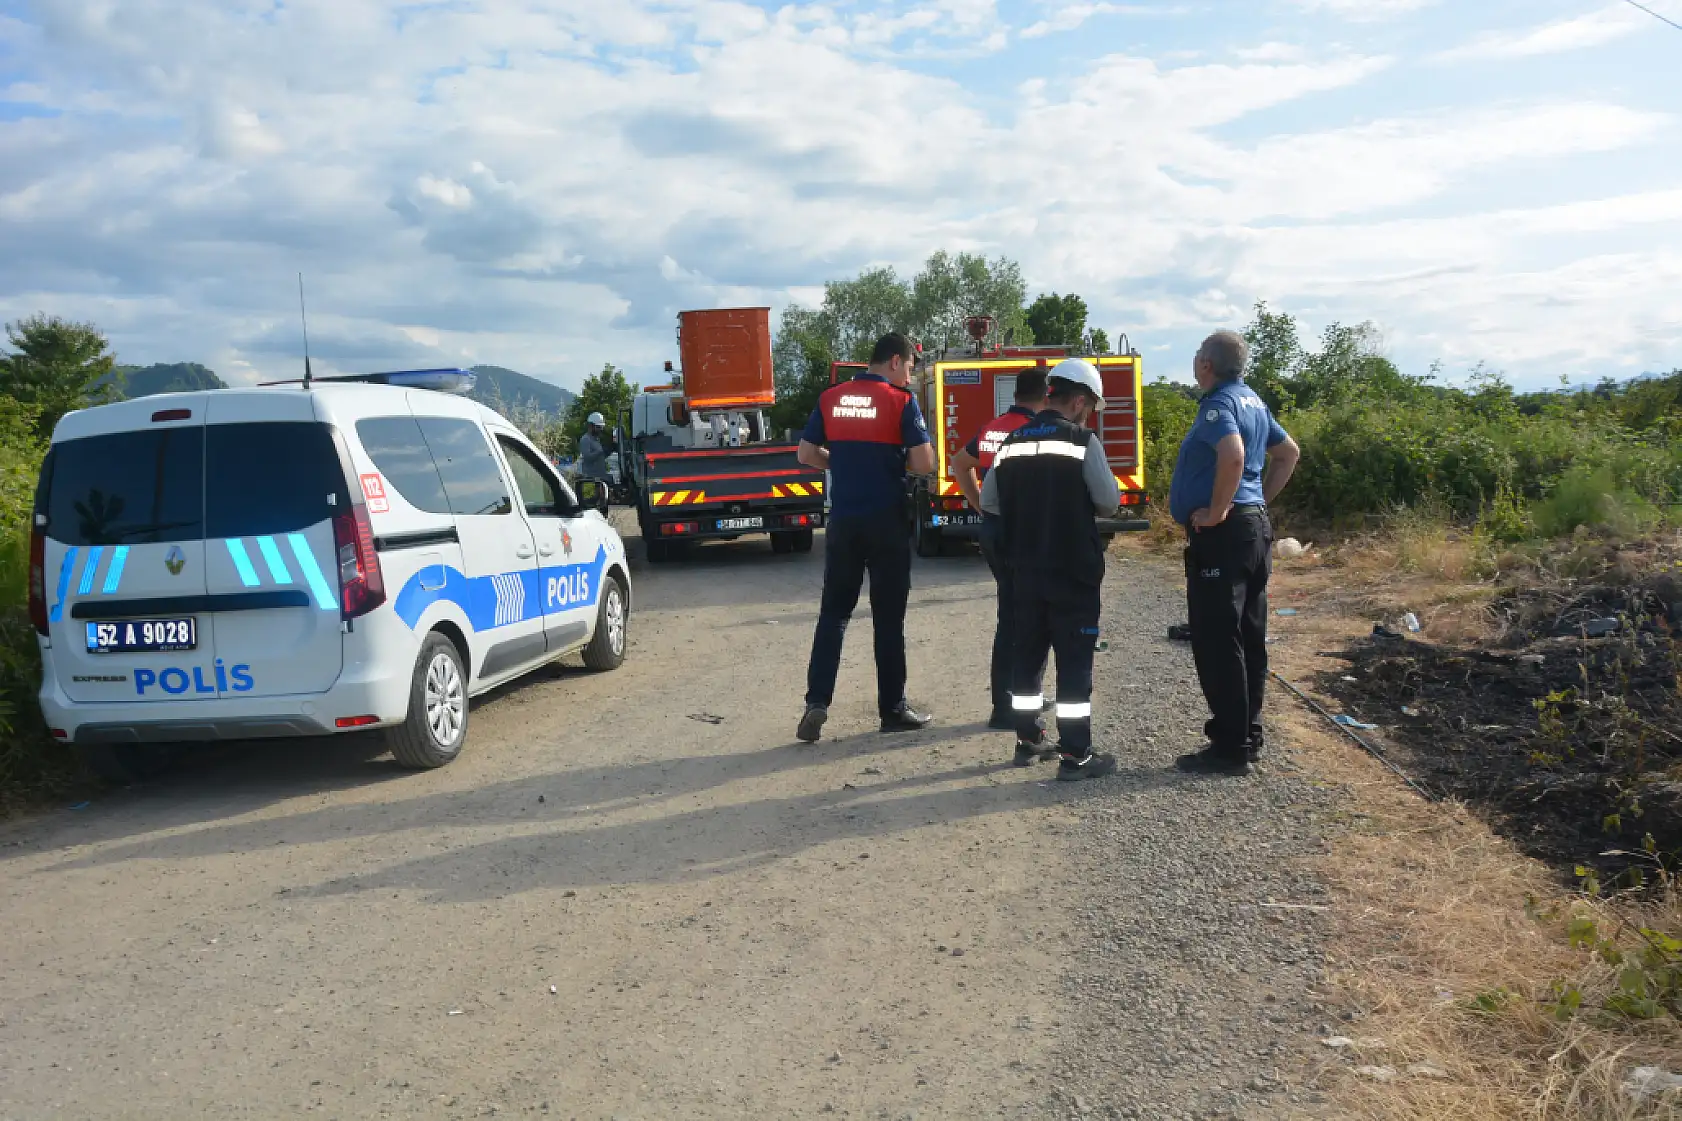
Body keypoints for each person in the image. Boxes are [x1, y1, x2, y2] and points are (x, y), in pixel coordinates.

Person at [1168, 330, 1301, 777]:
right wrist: (1256, 502)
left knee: (1218, 638)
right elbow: (1289, 453)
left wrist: (1221, 509)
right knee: (1248, 634)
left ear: (1206, 364)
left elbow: (1233, 456)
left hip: (1225, 537)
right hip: (1253, 531)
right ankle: (1248, 732)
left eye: (1197, 354)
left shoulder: (1219, 405)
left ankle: (1229, 746)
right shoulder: (1254, 402)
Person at [981, 359, 1121, 781]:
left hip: (1023, 571)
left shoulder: (1011, 443)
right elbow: (1109, 503)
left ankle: (1028, 738)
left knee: (1027, 658)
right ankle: (1076, 755)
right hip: (1072, 571)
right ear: (1078, 400)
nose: (1090, 413)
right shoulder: (1082, 441)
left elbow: (989, 501)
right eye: (1091, 405)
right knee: (1075, 661)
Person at [794, 332, 937, 743]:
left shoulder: (832, 397)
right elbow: (924, 462)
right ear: (895, 361)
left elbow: (805, 454)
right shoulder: (900, 402)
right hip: (887, 523)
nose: (910, 377)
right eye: (910, 368)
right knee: (888, 619)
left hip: (844, 523)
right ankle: (892, 709)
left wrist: (839, 460)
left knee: (833, 614)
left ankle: (816, 702)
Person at [950, 370, 1049, 730]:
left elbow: (959, 464)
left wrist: (979, 505)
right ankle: (1008, 705)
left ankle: (1013, 696)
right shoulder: (1035, 429)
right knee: (1022, 619)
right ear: (1046, 395)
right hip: (1022, 530)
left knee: (1010, 612)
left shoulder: (993, 427)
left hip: (995, 528)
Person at [578, 412, 613, 482]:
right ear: (591, 426)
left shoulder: (596, 439)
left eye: (601, 427)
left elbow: (599, 457)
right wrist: (600, 451)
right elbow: (587, 457)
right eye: (598, 427)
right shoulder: (585, 439)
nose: (601, 429)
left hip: (600, 477)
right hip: (591, 478)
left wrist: (608, 451)